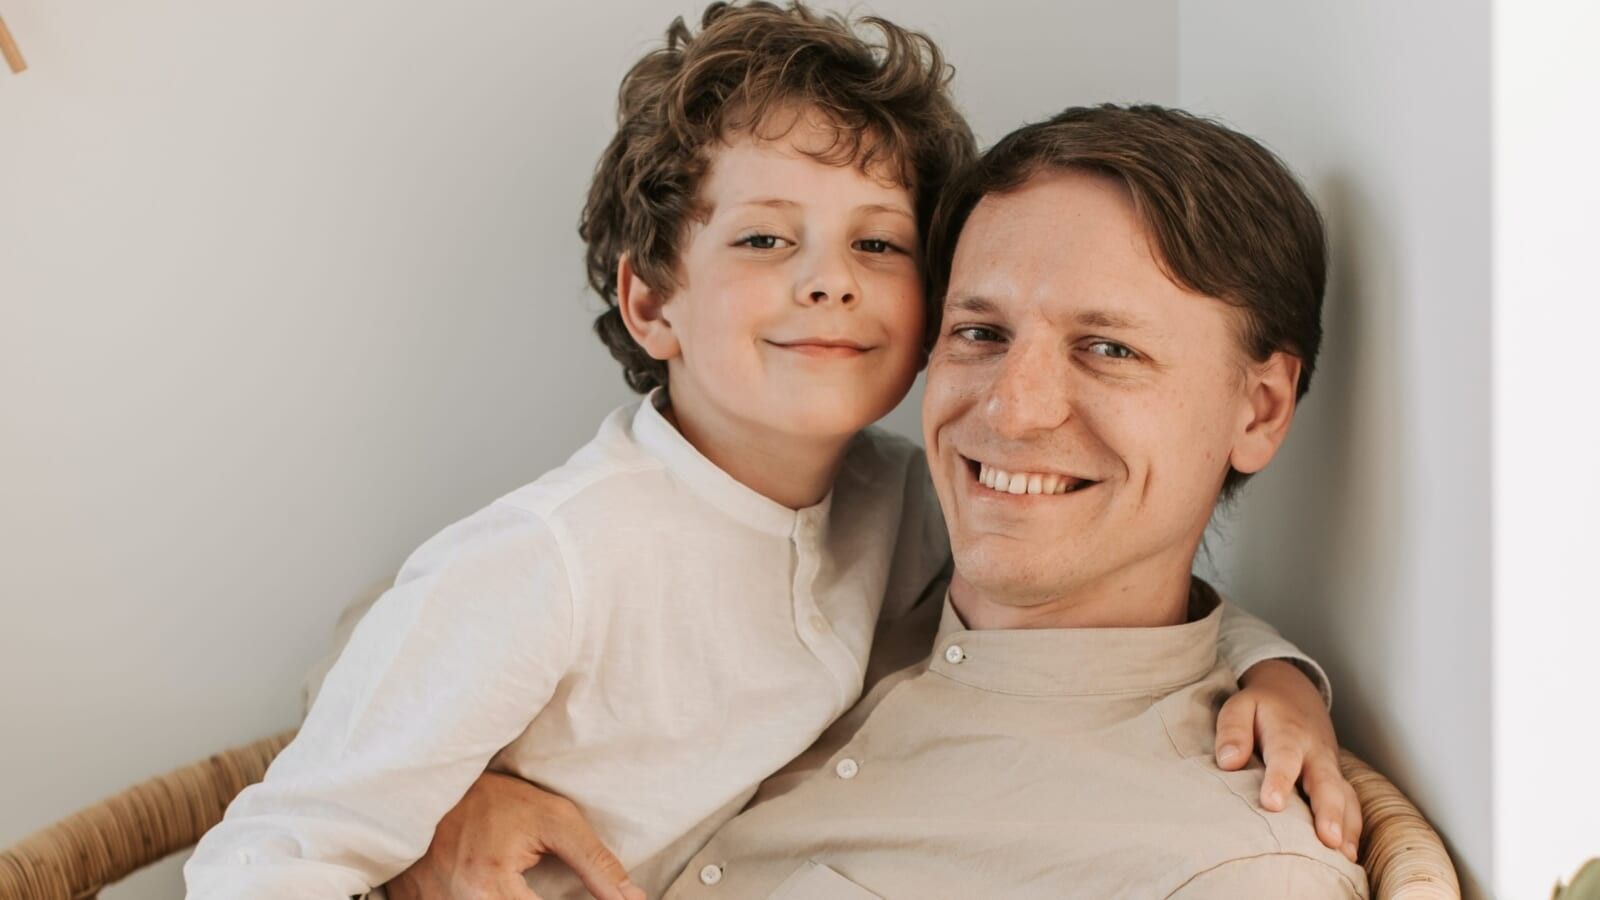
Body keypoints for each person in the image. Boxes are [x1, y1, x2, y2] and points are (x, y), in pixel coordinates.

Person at [184, 4, 1349, 897]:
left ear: (1257, 410)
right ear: (651, 305)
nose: (1016, 411)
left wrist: (1280, 674)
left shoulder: (901, 508)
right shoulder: (572, 556)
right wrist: (450, 802)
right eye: (982, 333)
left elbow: (1132, 605)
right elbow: (349, 738)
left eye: (1107, 349)